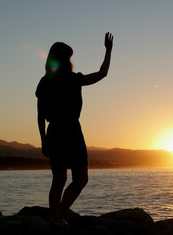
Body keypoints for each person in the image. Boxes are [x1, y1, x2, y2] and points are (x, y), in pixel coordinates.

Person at [36, 32, 113, 227]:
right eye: (69, 57)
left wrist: (44, 140)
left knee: (59, 179)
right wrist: (108, 51)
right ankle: (58, 217)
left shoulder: (45, 82)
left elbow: (39, 115)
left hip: (53, 132)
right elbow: (101, 74)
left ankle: (54, 220)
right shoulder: (72, 79)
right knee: (80, 179)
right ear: (64, 59)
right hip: (70, 130)